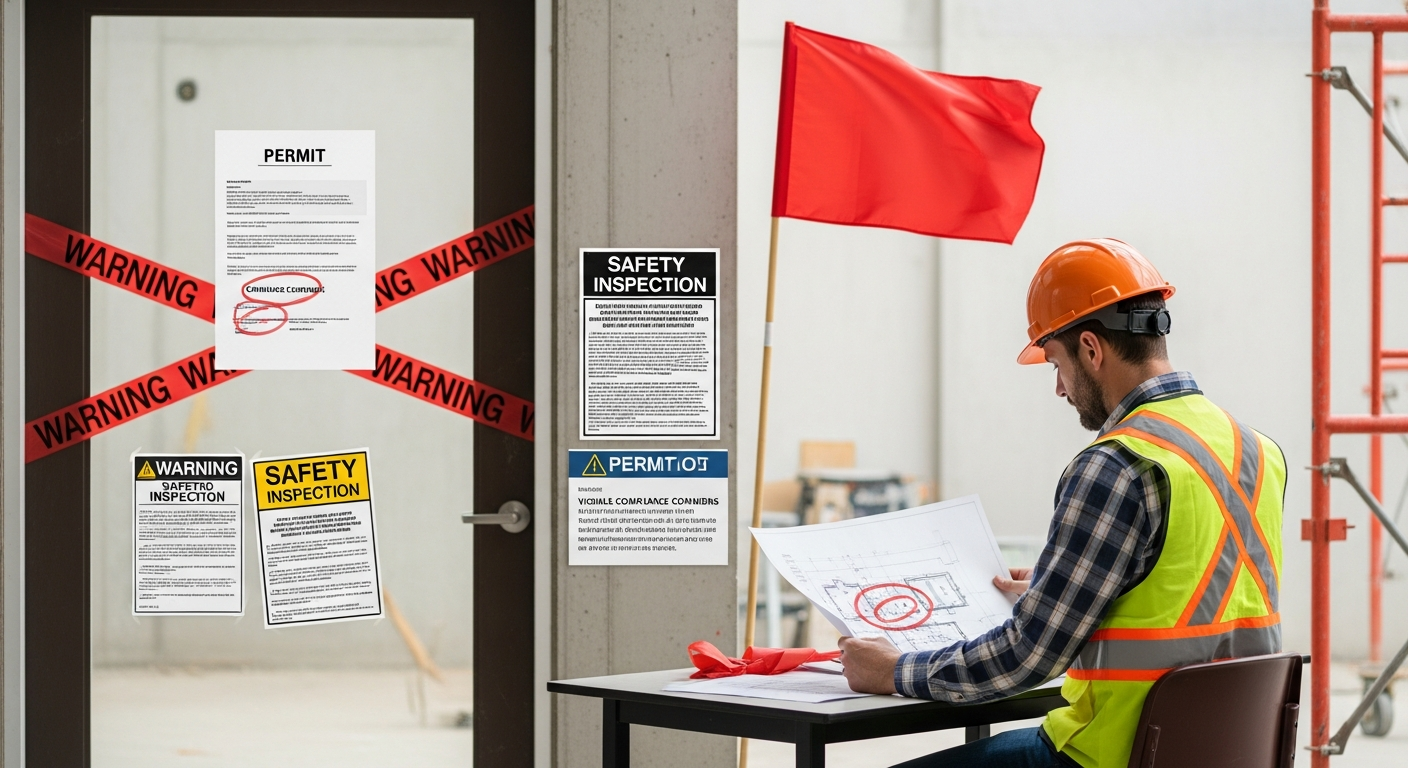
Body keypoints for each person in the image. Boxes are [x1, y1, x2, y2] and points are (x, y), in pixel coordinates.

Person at [837, 239, 1285, 768]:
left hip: (1111, 755)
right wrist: (1082, 594)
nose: (1058, 388)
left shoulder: (1116, 464)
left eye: (1056, 363)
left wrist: (892, 670)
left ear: (1091, 350)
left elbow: (1027, 657)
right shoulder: (1257, 451)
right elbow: (1202, 594)